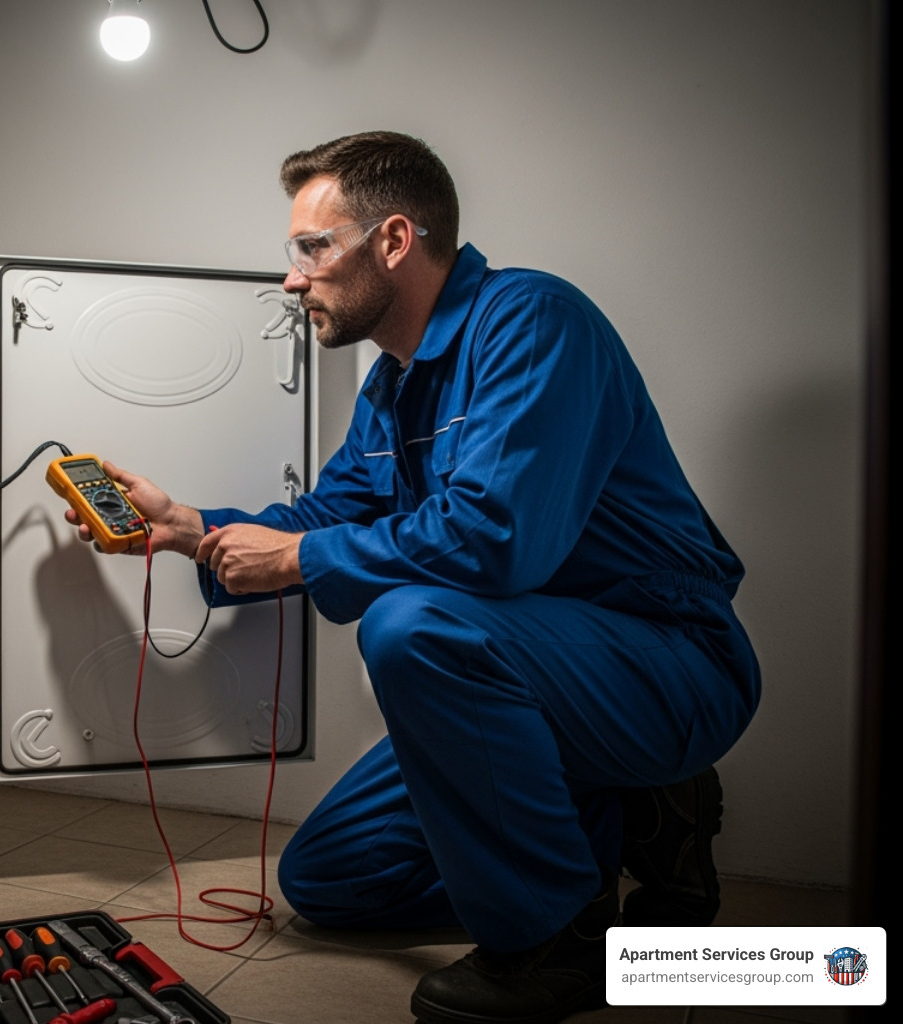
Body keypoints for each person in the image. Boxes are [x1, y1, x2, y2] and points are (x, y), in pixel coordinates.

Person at [63, 131, 761, 1024]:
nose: (292, 278)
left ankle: (559, 939)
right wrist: (188, 530)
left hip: (667, 666)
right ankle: (628, 821)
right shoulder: (393, 388)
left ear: (393, 241)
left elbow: (494, 540)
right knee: (328, 879)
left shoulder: (535, 320)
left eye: (313, 248)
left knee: (411, 624)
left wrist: (303, 561)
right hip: (524, 677)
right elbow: (324, 519)